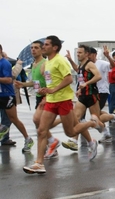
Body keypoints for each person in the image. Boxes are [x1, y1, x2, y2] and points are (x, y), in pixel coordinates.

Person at [23, 36, 102, 174]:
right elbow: (51, 81)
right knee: (41, 130)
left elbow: (69, 78)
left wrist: (53, 89)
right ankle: (39, 163)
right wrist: (46, 90)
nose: (43, 47)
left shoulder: (60, 60)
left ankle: (91, 123)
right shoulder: (47, 62)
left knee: (70, 131)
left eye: (46, 45)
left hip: (63, 100)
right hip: (51, 100)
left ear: (54, 47)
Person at [15, 40, 60, 158]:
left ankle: (52, 142)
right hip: (39, 97)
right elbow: (35, 83)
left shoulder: (44, 64)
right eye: (31, 48)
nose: (33, 50)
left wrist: (47, 96)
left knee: (37, 121)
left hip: (47, 97)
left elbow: (51, 82)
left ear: (42, 50)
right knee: (40, 125)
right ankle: (50, 146)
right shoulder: (34, 64)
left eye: (36, 48)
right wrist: (22, 84)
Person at [0, 44, 34, 152]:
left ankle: (28, 139)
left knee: (13, 119)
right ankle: (3, 133)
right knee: (5, 122)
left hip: (7, 95)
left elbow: (9, 80)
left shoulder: (5, 63)